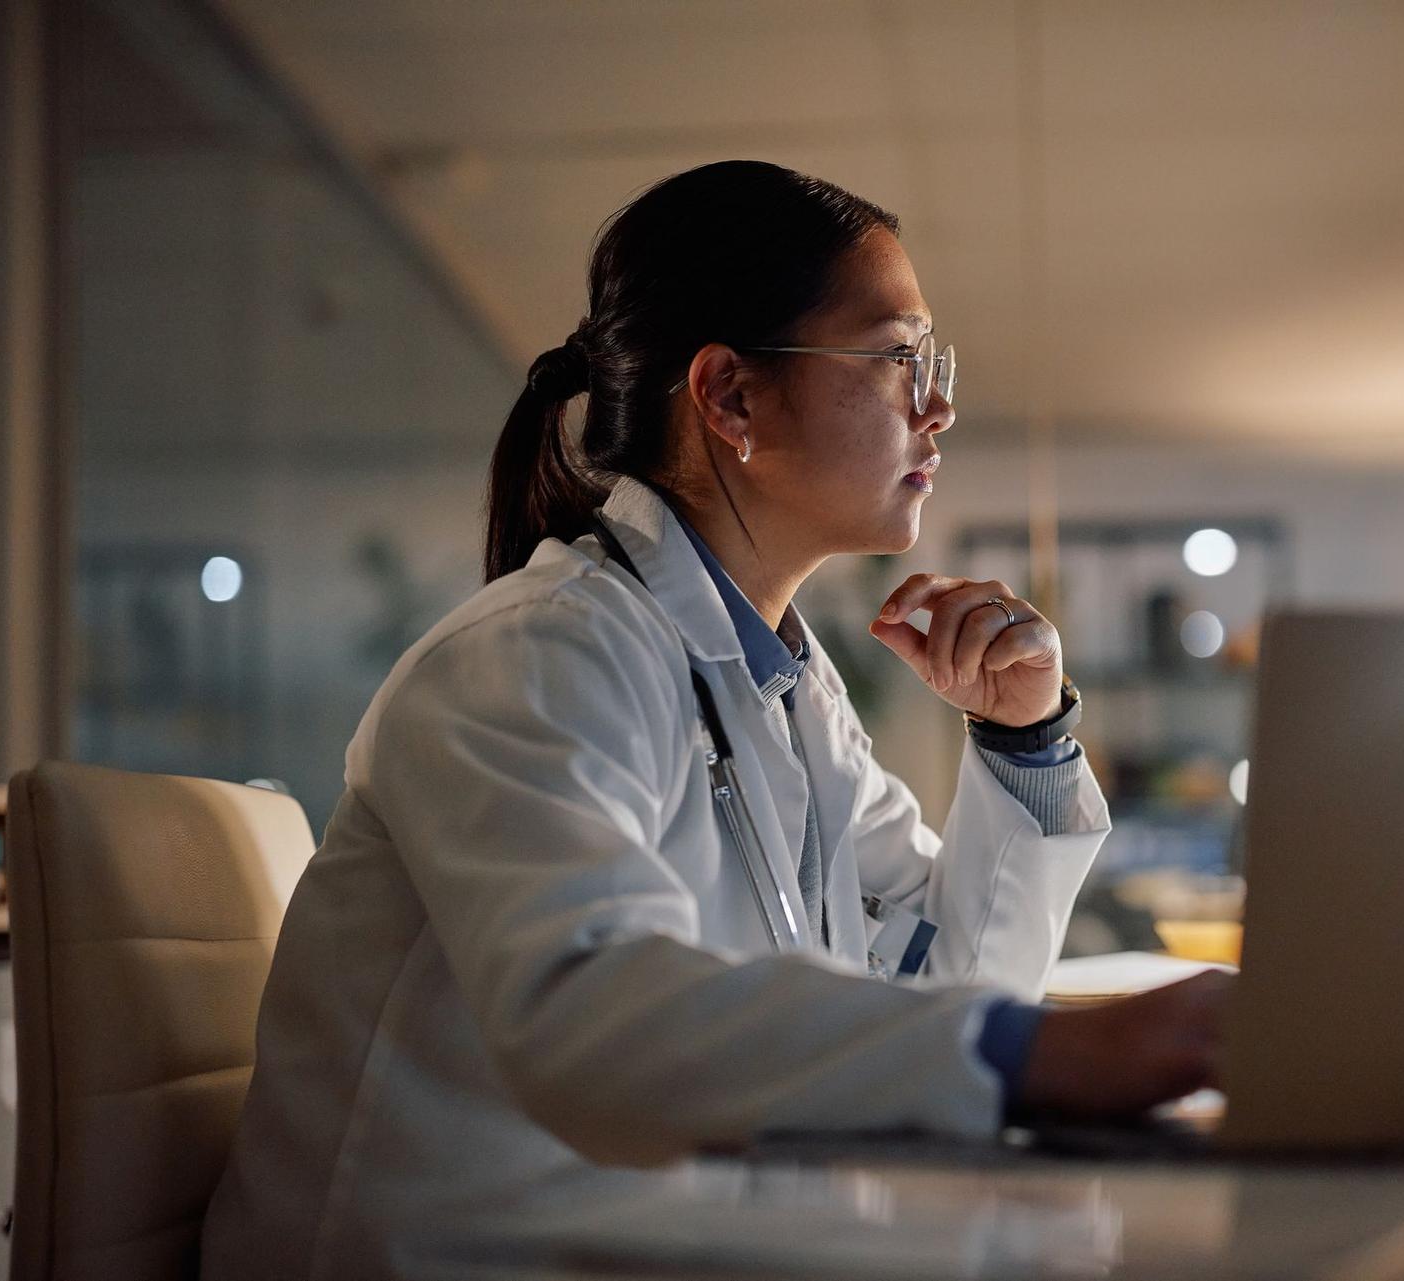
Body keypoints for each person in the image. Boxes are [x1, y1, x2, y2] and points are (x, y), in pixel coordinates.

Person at [201, 160, 1227, 1279]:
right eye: (900, 359)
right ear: (731, 396)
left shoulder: (786, 692)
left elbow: (944, 994)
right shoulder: (537, 655)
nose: (937, 408)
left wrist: (1025, 742)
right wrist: (1035, 1054)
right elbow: (588, 1016)